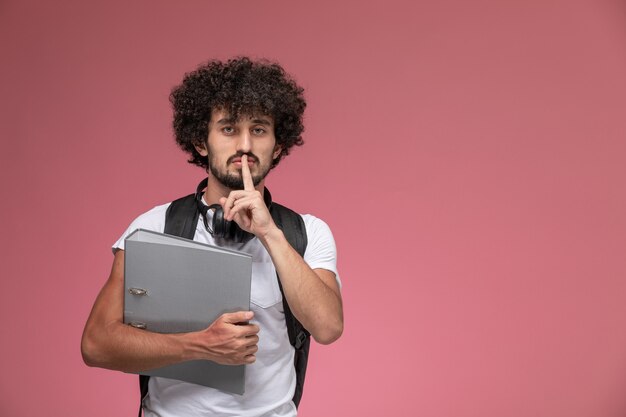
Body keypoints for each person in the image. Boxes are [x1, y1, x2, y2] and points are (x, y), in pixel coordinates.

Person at [81, 57, 344, 417]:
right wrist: (201, 346)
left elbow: (328, 327)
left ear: (278, 146)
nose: (245, 145)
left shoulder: (307, 232)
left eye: (260, 129)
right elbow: (96, 344)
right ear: (200, 142)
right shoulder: (152, 227)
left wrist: (270, 234)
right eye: (228, 129)